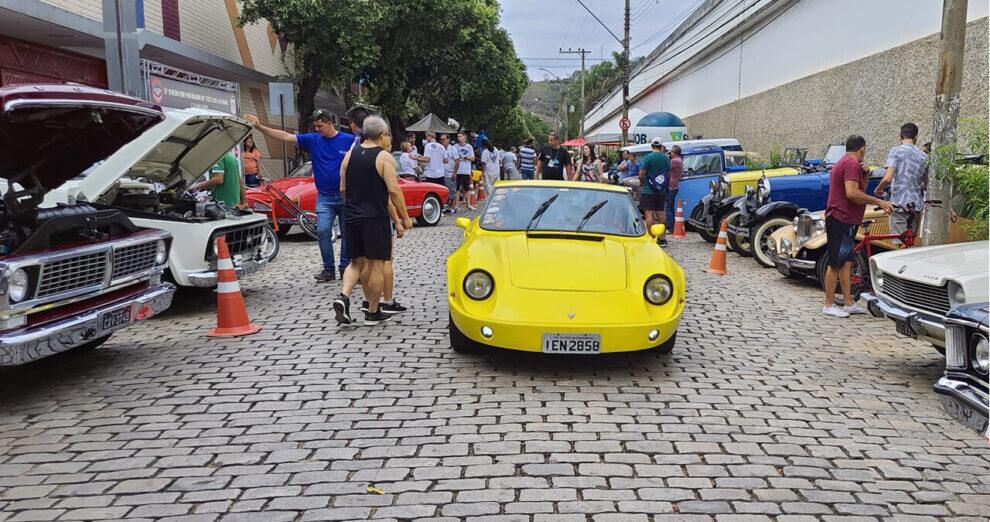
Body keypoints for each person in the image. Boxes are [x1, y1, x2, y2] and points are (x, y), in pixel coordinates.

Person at [245, 108, 355, 282]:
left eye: (320, 125)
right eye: (315, 126)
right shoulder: (312, 139)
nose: (317, 129)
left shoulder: (349, 140)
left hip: (346, 196)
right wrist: (260, 127)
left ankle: (345, 268)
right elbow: (284, 136)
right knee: (323, 230)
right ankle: (328, 269)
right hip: (325, 197)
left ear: (329, 123)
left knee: (348, 234)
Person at [333, 116, 413, 326]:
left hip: (352, 216)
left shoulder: (350, 155)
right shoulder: (383, 157)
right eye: (387, 134)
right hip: (374, 218)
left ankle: (343, 296)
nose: (388, 138)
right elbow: (394, 190)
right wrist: (404, 217)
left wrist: (353, 205)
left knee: (356, 263)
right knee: (377, 265)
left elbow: (342, 188)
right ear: (380, 135)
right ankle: (373, 311)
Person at [822, 135, 894, 318]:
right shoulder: (851, 164)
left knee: (846, 262)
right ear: (862, 149)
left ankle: (848, 302)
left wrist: (866, 175)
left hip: (846, 219)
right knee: (835, 263)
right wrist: (879, 201)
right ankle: (828, 304)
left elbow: (858, 188)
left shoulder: (845, 163)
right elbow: (853, 193)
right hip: (840, 218)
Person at [874, 122, 928, 242]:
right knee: (909, 244)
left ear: (900, 137)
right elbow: (925, 184)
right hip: (916, 207)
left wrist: (878, 189)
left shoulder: (895, 151)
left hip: (899, 206)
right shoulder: (923, 156)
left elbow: (887, 178)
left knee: (899, 246)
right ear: (916, 137)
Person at [639, 137, 670, 244]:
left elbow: (641, 174)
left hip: (648, 190)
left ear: (651, 146)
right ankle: (663, 238)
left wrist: (642, 183)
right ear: (661, 146)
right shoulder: (666, 158)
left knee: (649, 215)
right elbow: (667, 172)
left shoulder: (648, 158)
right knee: (661, 215)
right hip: (660, 190)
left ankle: (652, 238)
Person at [450, 132, 476, 211]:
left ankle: (468, 204)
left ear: (464, 137)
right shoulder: (455, 147)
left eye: (460, 136)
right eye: (458, 136)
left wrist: (466, 158)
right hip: (457, 170)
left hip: (465, 170)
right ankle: (456, 205)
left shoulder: (469, 147)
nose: (459, 138)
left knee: (466, 189)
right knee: (457, 188)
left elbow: (473, 158)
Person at [665, 145, 683, 229]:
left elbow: (666, 166)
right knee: (670, 206)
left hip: (671, 186)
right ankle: (671, 225)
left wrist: (665, 154)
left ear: (674, 153)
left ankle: (670, 226)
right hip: (675, 185)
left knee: (668, 207)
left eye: (671, 152)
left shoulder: (675, 161)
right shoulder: (679, 160)